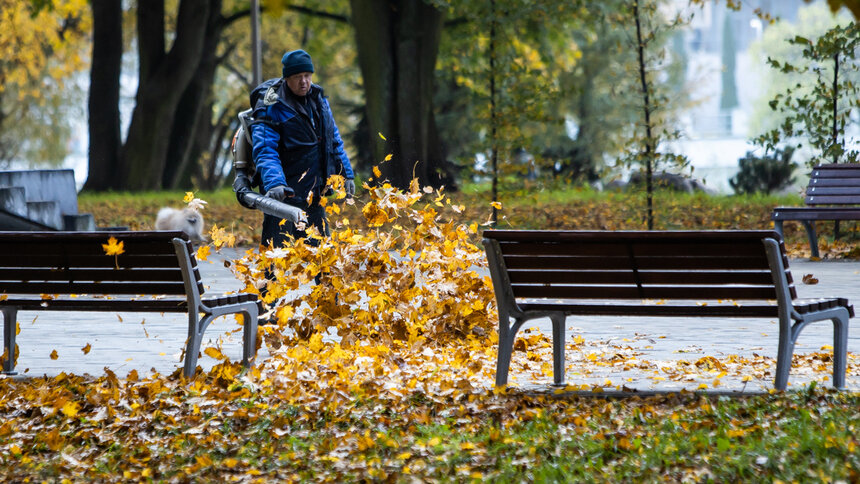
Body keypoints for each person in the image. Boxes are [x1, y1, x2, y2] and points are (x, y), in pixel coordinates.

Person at [250, 49, 355, 250]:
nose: (304, 82)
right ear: (287, 78)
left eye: (307, 76)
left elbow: (333, 142)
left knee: (324, 260)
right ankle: (270, 282)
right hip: (282, 196)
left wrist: (346, 174)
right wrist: (275, 184)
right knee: (275, 260)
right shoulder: (271, 105)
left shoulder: (319, 100)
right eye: (298, 77)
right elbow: (265, 149)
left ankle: (322, 282)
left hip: (314, 193)